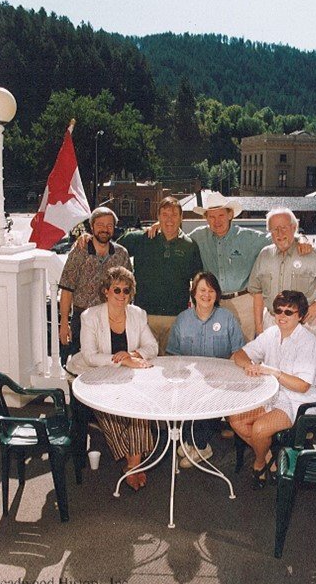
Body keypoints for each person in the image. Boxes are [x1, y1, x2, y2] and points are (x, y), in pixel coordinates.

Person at [149, 192, 311, 343]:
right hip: (213, 303)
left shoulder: (249, 237)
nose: (216, 221)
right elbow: (174, 233)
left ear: (230, 215)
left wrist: (302, 239)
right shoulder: (198, 237)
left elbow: (280, 237)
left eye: (221, 215)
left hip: (243, 302)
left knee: (245, 347)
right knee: (215, 346)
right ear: (206, 218)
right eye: (211, 216)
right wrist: (159, 225)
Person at [68, 266, 158, 491]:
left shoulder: (137, 314)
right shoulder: (90, 316)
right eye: (116, 290)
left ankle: (132, 465)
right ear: (106, 291)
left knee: (139, 410)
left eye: (126, 291)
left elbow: (152, 346)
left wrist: (134, 355)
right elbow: (89, 356)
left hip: (126, 378)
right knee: (108, 410)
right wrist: (121, 360)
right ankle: (134, 465)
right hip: (91, 377)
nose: (121, 295)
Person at [229, 290, 316, 489]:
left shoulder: (308, 342)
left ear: (300, 315)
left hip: (296, 401)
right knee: (235, 420)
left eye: (289, 312)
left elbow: (303, 385)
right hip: (270, 395)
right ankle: (268, 455)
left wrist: (275, 372)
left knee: (260, 429)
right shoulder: (271, 334)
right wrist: (249, 366)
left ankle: (260, 463)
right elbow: (240, 354)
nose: (282, 316)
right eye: (278, 311)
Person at [166, 271, 245, 467]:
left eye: (211, 291)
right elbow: (173, 354)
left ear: (217, 295)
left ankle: (201, 446)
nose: (206, 295)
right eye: (202, 290)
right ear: (194, 293)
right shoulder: (182, 320)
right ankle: (191, 442)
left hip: (219, 382)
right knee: (184, 394)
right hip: (189, 380)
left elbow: (238, 351)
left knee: (210, 396)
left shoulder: (227, 318)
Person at [118, 197, 202, 354]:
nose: (169, 219)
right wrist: (86, 238)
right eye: (164, 214)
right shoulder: (142, 238)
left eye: (174, 214)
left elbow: (198, 282)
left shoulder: (190, 245)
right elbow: (109, 247)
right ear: (158, 217)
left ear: (181, 217)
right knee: (143, 362)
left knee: (172, 366)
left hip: (176, 317)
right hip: (144, 316)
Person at [248, 207, 316, 335]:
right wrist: (259, 328)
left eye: (284, 228)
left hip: (302, 326)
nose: (280, 233)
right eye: (274, 229)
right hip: (271, 324)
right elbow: (257, 292)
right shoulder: (264, 255)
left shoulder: (313, 255)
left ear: (294, 228)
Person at [59, 207, 131, 356]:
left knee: (111, 363)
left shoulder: (121, 254)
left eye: (109, 225)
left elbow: (128, 290)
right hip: (82, 318)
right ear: (91, 227)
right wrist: (64, 323)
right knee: (80, 362)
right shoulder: (80, 251)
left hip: (112, 319)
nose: (104, 229)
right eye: (100, 225)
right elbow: (67, 288)